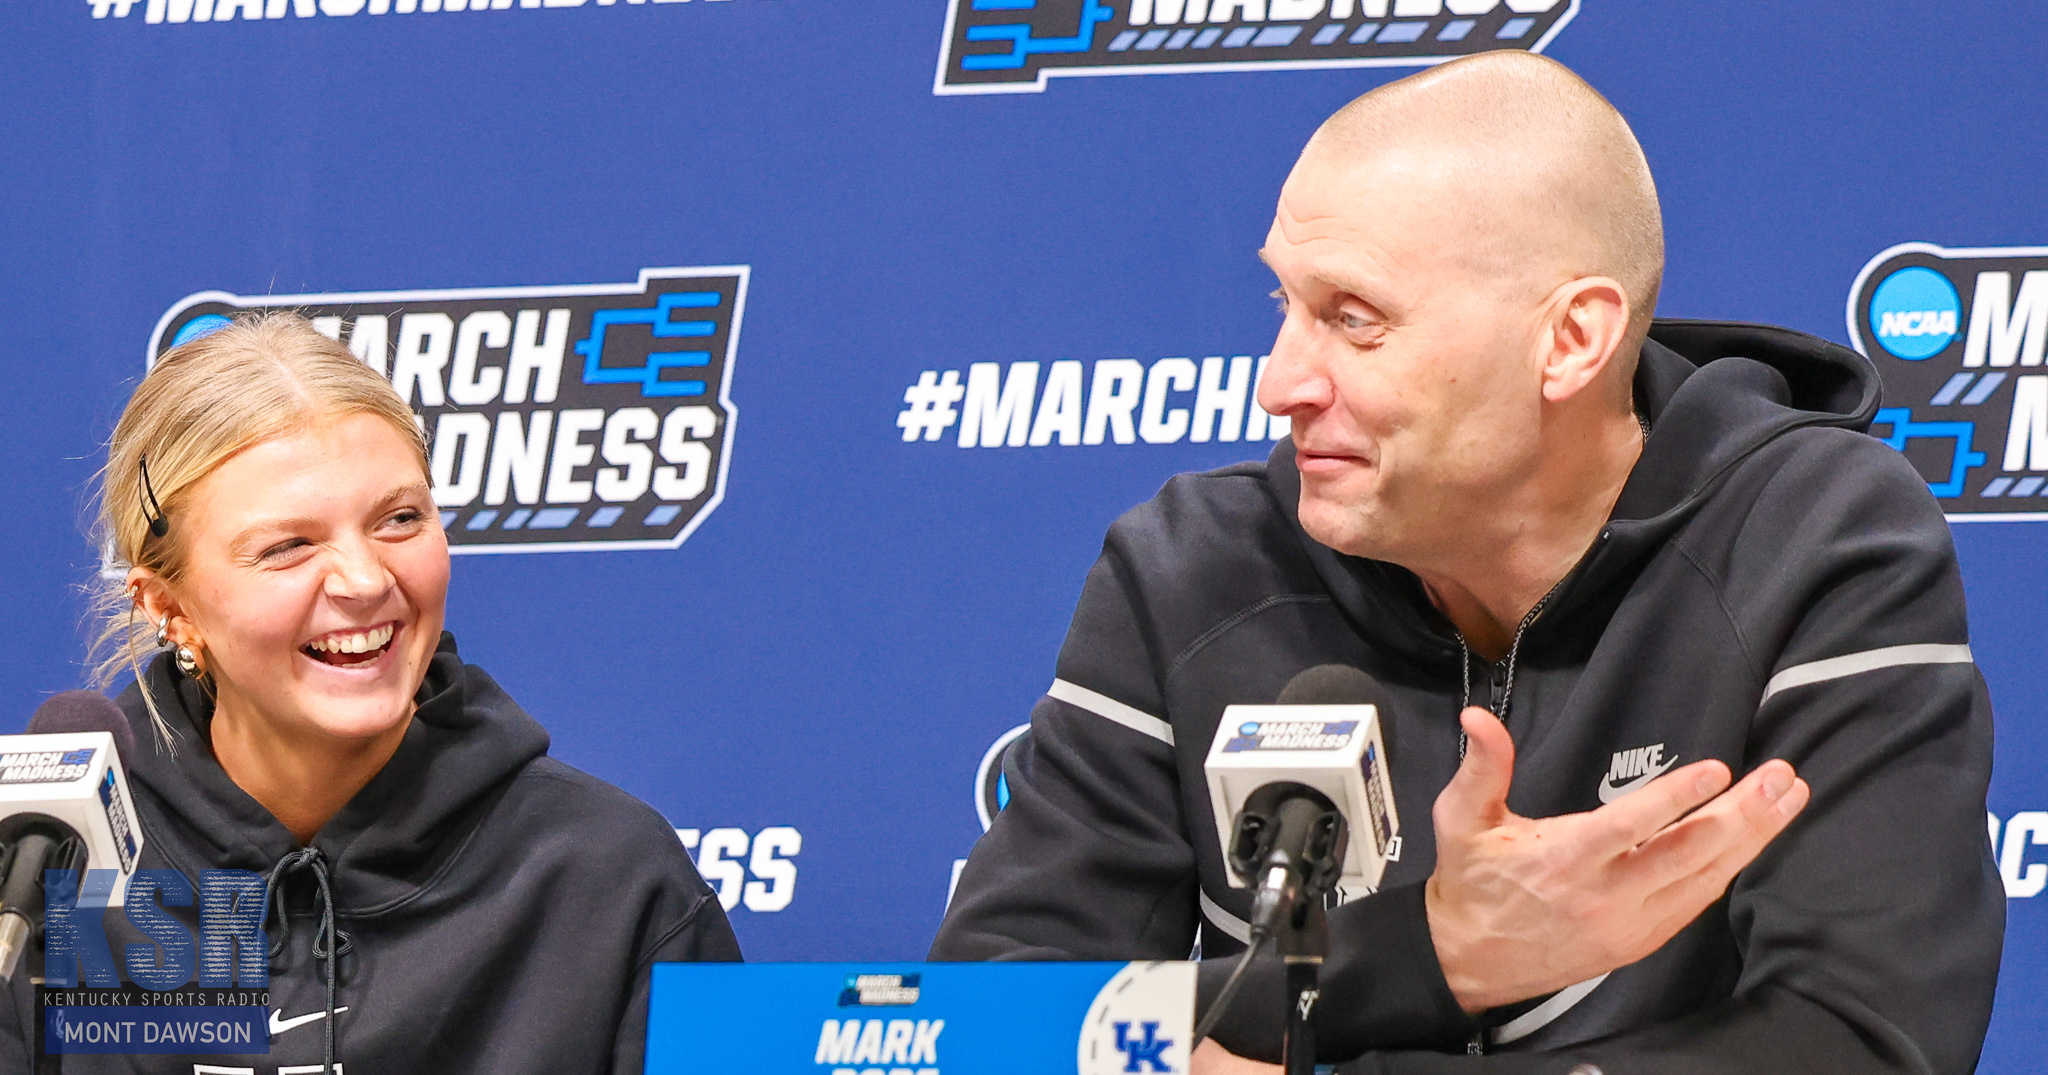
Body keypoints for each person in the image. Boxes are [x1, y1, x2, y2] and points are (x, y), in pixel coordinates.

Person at [931, 51, 2003, 1074]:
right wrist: (1430, 954)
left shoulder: (1809, 540)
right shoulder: (1187, 572)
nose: (1279, 382)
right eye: (1284, 308)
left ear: (1571, 341)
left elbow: (1861, 1039)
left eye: (1353, 319)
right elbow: (987, 1025)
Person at [0, 312, 741, 1074]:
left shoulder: (606, 877)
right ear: (171, 608)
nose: (364, 580)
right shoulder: (50, 878)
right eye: (288, 546)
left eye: (400, 519)